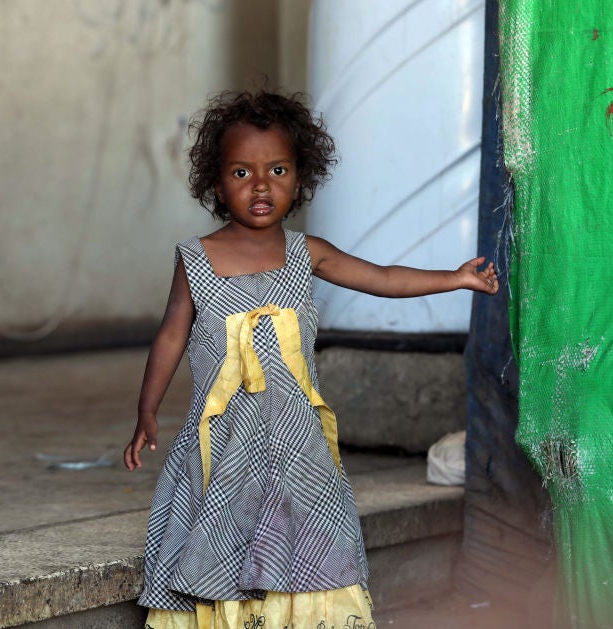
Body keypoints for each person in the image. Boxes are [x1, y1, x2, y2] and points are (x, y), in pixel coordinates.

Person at [123, 90, 498, 629]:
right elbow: (169, 337)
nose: (260, 185)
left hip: (298, 443)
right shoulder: (196, 259)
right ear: (215, 183)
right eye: (240, 172)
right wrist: (147, 411)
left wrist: (455, 278)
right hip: (224, 443)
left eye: (277, 169)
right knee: (224, 537)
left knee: (310, 543)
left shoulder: (307, 253)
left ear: (300, 179)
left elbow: (383, 278)